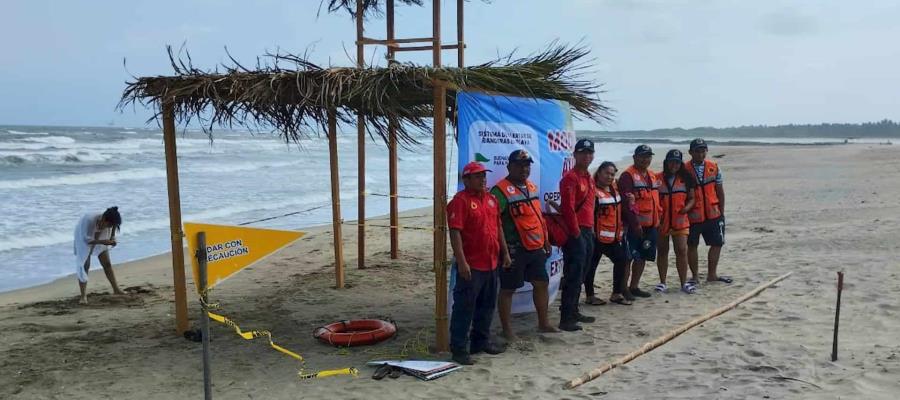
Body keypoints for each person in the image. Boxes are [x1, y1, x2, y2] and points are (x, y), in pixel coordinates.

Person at [448, 161, 511, 365]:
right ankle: (458, 348)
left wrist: (505, 253)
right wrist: (462, 261)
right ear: (466, 180)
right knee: (464, 308)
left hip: (492, 262)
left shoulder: (492, 199)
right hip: (472, 265)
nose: (482, 179)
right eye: (477, 176)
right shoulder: (460, 201)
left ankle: (480, 342)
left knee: (487, 306)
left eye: (484, 175)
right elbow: (455, 232)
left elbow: (498, 227)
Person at [491, 150, 558, 342]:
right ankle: (507, 330)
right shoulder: (500, 191)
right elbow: (496, 224)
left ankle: (543, 322)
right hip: (514, 249)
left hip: (535, 247)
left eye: (527, 165)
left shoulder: (532, 187)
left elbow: (538, 217)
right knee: (508, 289)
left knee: (541, 283)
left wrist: (546, 239)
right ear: (509, 166)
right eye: (519, 165)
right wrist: (504, 252)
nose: (524, 169)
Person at [557, 138, 597, 331]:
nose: (586, 156)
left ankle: (574, 310)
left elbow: (590, 206)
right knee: (573, 274)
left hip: (588, 230)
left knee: (582, 272)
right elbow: (568, 209)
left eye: (590, 153)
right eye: (583, 153)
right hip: (576, 232)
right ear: (575, 155)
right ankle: (566, 317)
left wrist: (591, 230)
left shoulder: (588, 176)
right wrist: (576, 233)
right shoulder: (570, 178)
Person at [585, 161, 632, 306]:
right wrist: (591, 234)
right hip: (597, 237)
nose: (610, 177)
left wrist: (630, 201)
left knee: (622, 260)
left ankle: (616, 293)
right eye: (607, 173)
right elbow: (589, 214)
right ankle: (590, 296)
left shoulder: (614, 188)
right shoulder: (592, 191)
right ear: (599, 173)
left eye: (612, 174)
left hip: (613, 236)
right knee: (591, 266)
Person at [685, 138, 730, 284]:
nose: (700, 154)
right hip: (693, 216)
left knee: (717, 243)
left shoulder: (714, 167)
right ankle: (695, 276)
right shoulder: (683, 170)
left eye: (703, 151)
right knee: (692, 245)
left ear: (706, 151)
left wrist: (721, 212)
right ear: (690, 152)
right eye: (697, 151)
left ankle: (712, 275)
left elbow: (720, 191)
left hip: (713, 213)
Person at [618, 144, 661, 300]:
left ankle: (634, 286)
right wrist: (635, 224)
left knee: (643, 257)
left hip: (651, 225)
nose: (645, 159)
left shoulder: (652, 175)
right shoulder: (627, 176)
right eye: (642, 156)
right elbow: (626, 204)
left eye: (648, 156)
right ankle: (623, 289)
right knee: (628, 258)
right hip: (633, 227)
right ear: (635, 157)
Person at [656, 150, 697, 294]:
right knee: (662, 251)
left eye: (677, 162)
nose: (674, 165)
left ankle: (683, 283)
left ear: (681, 163)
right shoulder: (657, 178)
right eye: (672, 161)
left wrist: (686, 208)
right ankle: (662, 282)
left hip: (680, 221)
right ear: (666, 162)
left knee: (681, 250)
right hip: (662, 221)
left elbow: (692, 198)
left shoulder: (686, 178)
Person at [74, 206, 124, 304]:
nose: (111, 227)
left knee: (107, 264)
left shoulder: (109, 222)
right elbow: (86, 240)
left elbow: (114, 225)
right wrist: (102, 242)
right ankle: (83, 296)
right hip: (83, 236)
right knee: (85, 265)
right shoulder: (88, 220)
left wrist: (112, 237)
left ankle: (116, 289)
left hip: (101, 233)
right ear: (104, 219)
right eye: (109, 225)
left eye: (111, 226)